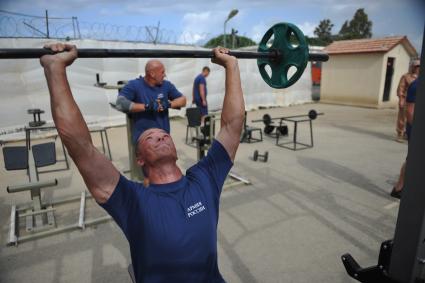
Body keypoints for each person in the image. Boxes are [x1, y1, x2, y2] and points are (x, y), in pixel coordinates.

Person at [40, 43, 244, 283]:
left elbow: (231, 125)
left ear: (175, 150)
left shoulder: (204, 179)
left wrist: (232, 65)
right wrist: (55, 70)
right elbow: (81, 145)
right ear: (139, 158)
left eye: (164, 136)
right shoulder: (132, 199)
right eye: (151, 137)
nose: (159, 135)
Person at [115, 59, 187, 144]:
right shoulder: (134, 85)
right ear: (152, 74)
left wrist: (168, 104)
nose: (165, 75)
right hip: (144, 141)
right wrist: (148, 106)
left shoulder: (166, 85)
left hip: (163, 139)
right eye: (162, 72)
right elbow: (120, 103)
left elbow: (183, 100)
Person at [391, 78, 418, 199]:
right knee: (412, 159)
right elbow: (410, 112)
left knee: (413, 160)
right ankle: (399, 187)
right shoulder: (416, 85)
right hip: (417, 131)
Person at [395, 59, 420, 142]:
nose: (418, 68)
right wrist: (401, 99)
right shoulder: (406, 76)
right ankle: (400, 133)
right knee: (402, 117)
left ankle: (408, 133)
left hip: (415, 100)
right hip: (406, 100)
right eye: (416, 66)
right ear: (413, 67)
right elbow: (401, 88)